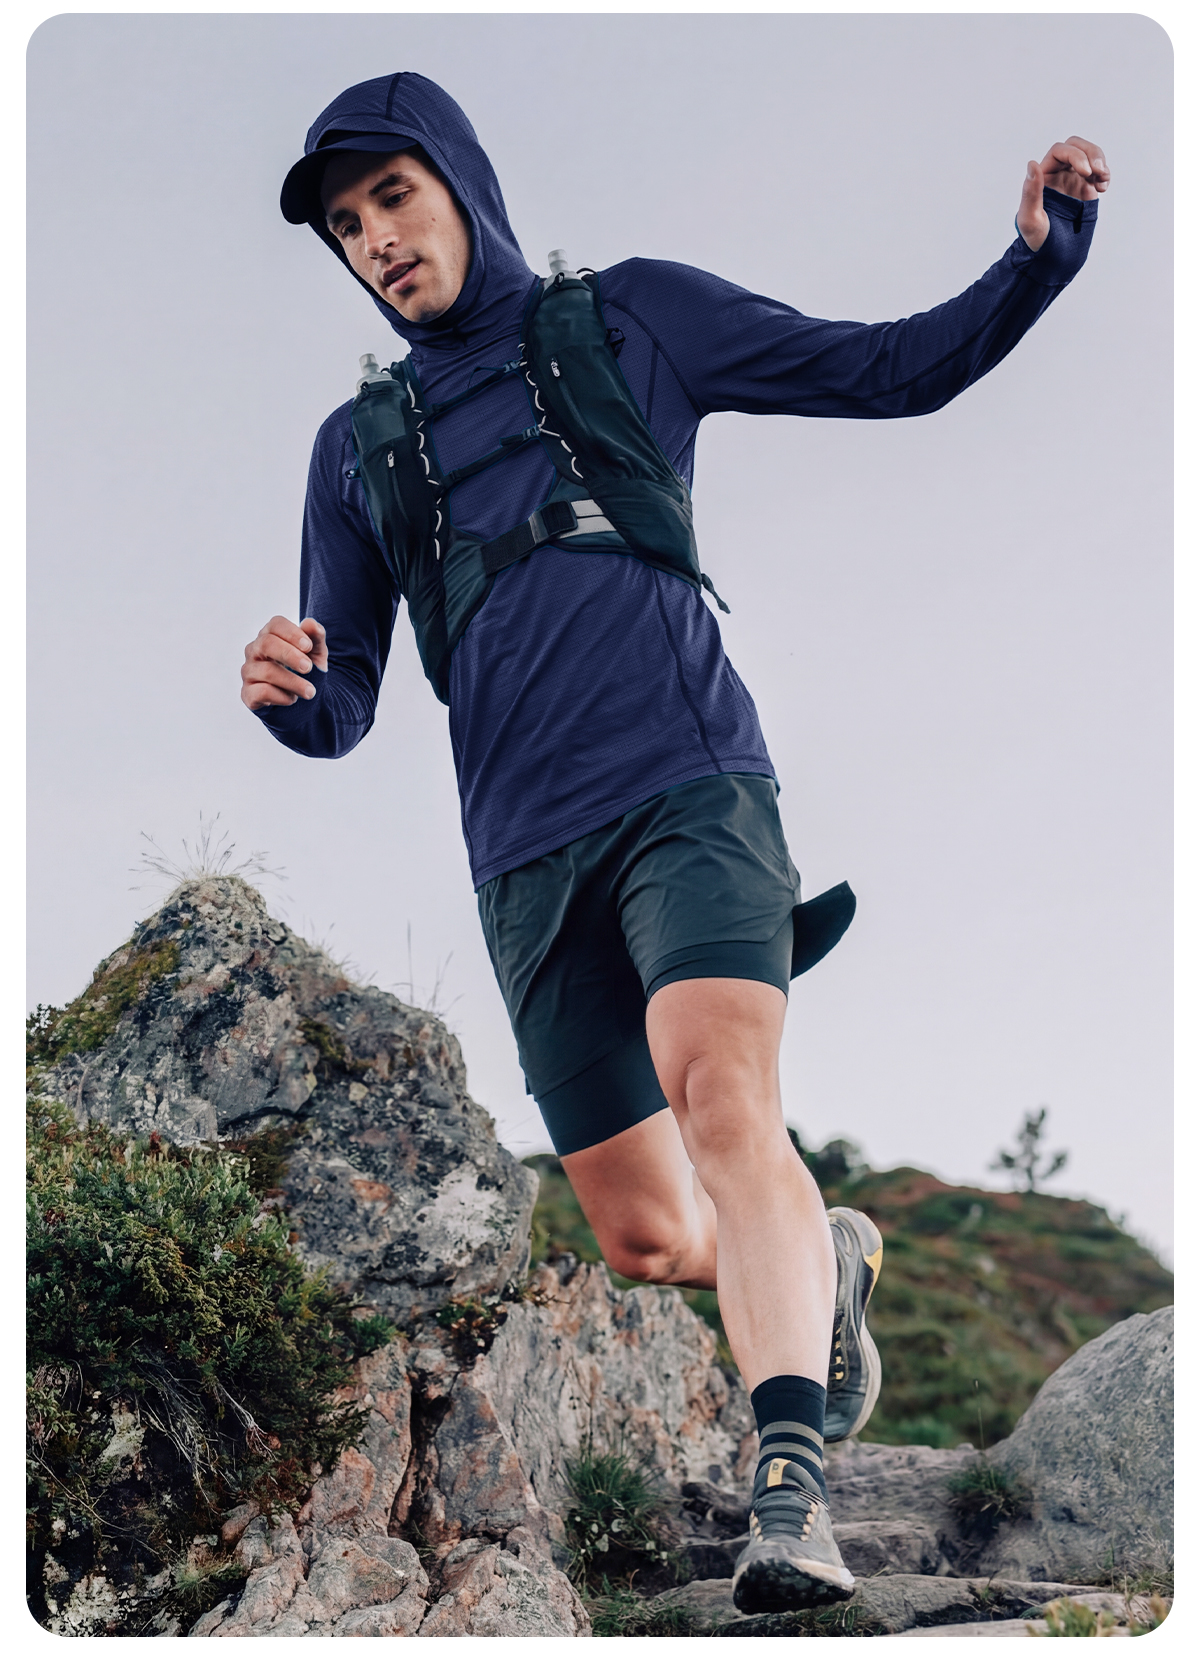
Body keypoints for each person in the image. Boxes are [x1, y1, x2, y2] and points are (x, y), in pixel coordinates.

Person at [241, 72, 1106, 1613]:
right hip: (524, 857)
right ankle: (820, 1257)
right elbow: (345, 696)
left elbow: (889, 369)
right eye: (347, 222)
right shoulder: (355, 447)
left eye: (394, 195)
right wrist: (294, 698)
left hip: (687, 785)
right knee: (646, 1233)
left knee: (724, 1097)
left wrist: (1034, 265)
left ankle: (792, 1490)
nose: (375, 237)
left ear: (461, 182)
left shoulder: (633, 318)